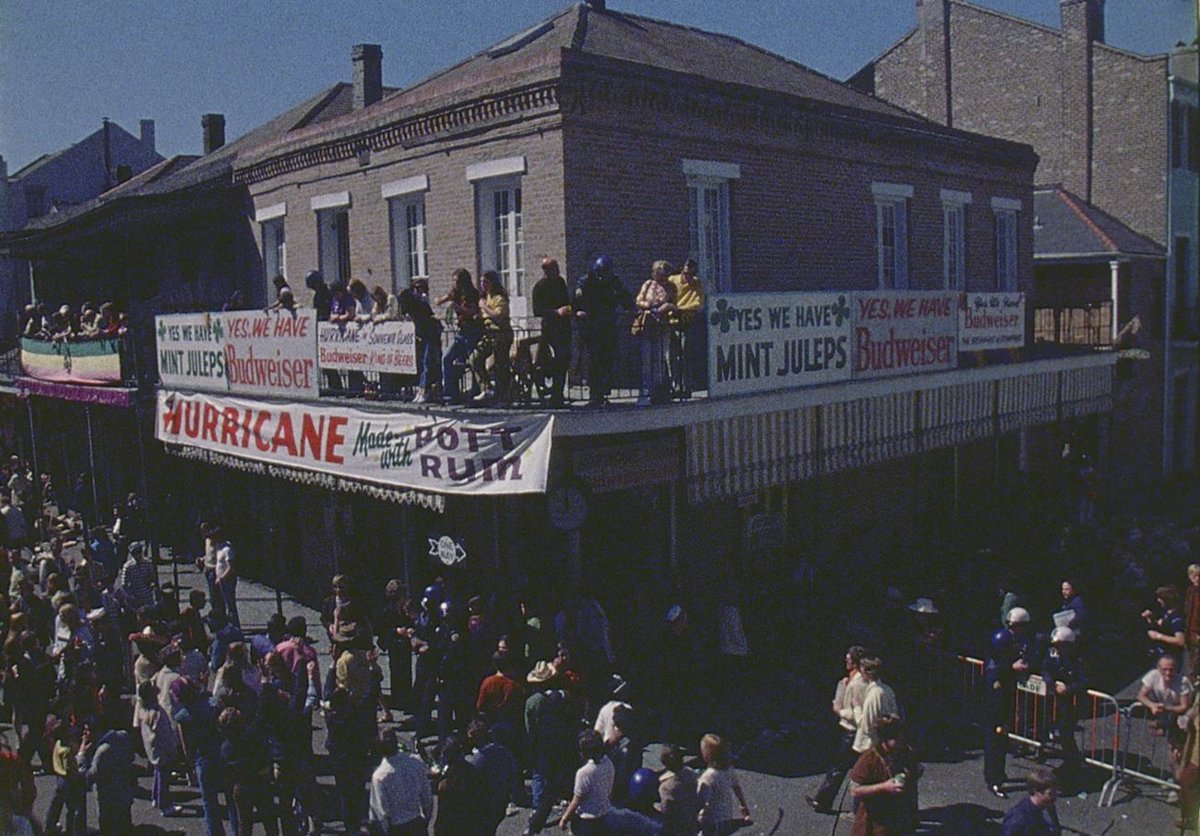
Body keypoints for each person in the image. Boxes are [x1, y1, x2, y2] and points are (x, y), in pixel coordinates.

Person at [808, 644, 868, 813]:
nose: (845, 663)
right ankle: (823, 801)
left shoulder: (857, 684)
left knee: (840, 767)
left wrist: (839, 710)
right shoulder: (850, 681)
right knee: (844, 766)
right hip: (851, 729)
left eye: (848, 660)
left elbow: (858, 711)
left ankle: (823, 801)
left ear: (855, 663)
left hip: (853, 730)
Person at [984, 606, 1035, 798]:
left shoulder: (1013, 640)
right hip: (995, 697)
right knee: (995, 739)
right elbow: (995, 668)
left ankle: (998, 773)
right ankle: (993, 779)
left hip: (1004, 695)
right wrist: (1012, 667)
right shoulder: (1002, 639)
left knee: (1001, 737)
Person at [574, 255, 633, 405]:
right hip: (591, 327)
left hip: (608, 326)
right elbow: (576, 303)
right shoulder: (586, 281)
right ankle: (595, 394)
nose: (602, 277)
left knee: (607, 360)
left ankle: (604, 392)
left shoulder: (613, 281)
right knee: (594, 361)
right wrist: (579, 312)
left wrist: (632, 309)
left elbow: (624, 297)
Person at [849, 715, 920, 836]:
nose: (901, 742)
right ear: (884, 740)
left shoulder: (905, 751)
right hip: (875, 820)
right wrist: (884, 787)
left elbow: (917, 770)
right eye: (896, 739)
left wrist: (910, 775)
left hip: (901, 817)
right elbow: (855, 790)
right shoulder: (869, 758)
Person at [1038, 627, 1085, 792]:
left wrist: (1068, 688)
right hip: (1054, 699)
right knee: (1050, 726)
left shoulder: (1076, 660)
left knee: (1066, 734)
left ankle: (1074, 764)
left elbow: (1082, 681)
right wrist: (1053, 683)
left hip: (1070, 703)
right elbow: (1045, 670)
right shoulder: (1052, 655)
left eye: (1060, 645)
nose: (1057, 648)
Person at [77, 710, 135, 835]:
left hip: (108, 799)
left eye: (87, 730)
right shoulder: (122, 735)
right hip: (125, 791)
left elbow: (89, 776)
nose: (85, 734)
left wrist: (81, 755)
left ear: (96, 731)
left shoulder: (102, 751)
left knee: (108, 829)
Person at [370, 728, 433, 836]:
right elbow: (427, 796)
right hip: (416, 823)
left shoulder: (379, 776)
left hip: (397, 828)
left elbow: (381, 812)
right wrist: (426, 819)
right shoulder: (415, 763)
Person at [437, 269, 485, 404]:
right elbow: (439, 301)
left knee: (473, 361)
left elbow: (474, 312)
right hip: (461, 333)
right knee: (446, 358)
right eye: (453, 281)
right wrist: (441, 301)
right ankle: (450, 393)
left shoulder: (472, 294)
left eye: (457, 281)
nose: (455, 283)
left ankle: (476, 392)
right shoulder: (455, 293)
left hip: (472, 331)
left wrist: (458, 308)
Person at [633, 260, 677, 407]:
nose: (660, 279)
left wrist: (667, 307)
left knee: (659, 359)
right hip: (647, 325)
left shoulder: (671, 287)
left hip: (662, 326)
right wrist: (649, 306)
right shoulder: (648, 284)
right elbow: (639, 300)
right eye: (657, 275)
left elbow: (674, 305)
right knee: (646, 358)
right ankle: (646, 391)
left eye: (663, 276)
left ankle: (659, 391)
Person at [531, 257, 573, 406]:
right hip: (550, 329)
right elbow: (537, 310)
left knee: (563, 360)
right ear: (547, 271)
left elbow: (566, 301)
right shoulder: (539, 287)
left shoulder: (560, 283)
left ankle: (558, 394)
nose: (558, 271)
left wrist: (569, 309)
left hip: (564, 328)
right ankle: (551, 393)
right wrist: (556, 312)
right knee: (550, 363)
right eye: (554, 269)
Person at [1137, 654, 1193, 760]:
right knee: (1172, 745)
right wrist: (1152, 705)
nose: (1168, 673)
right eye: (1164, 669)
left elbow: (1184, 706)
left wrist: (1166, 708)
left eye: (1171, 670)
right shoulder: (1153, 675)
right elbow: (1141, 695)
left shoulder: (1182, 682)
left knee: (1179, 746)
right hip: (1166, 711)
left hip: (1182, 713)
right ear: (1158, 668)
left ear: (1175, 669)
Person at [560, 729, 613, 834]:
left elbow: (576, 800)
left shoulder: (584, 772)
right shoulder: (608, 763)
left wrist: (564, 819)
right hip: (604, 813)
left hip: (586, 819)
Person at [697, 733, 751, 835]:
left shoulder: (707, 777)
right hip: (726, 814)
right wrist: (743, 805)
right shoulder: (729, 768)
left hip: (711, 818)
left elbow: (700, 800)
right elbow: (736, 786)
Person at [472, 271, 514, 403]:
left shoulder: (499, 298)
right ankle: (486, 388)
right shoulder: (485, 297)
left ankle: (503, 396)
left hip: (501, 335)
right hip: (488, 335)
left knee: (501, 366)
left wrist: (484, 307)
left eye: (486, 282)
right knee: (475, 358)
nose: (483, 285)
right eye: (481, 282)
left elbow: (498, 315)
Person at [400, 278, 443, 404]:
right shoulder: (411, 306)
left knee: (428, 362)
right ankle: (425, 389)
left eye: (421, 289)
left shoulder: (422, 304)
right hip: (423, 336)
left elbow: (429, 317)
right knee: (424, 363)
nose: (418, 291)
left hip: (432, 335)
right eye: (416, 288)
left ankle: (425, 390)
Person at [667, 258, 704, 398]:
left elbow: (697, 304)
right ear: (682, 270)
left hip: (686, 323)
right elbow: (666, 296)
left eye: (691, 274)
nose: (688, 277)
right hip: (670, 322)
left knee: (685, 354)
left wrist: (679, 309)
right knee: (671, 356)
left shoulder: (696, 284)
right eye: (686, 273)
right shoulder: (672, 280)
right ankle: (674, 385)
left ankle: (686, 386)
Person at [1000, 767, 1062, 836]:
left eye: (1056, 793)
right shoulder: (1019, 818)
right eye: (1050, 793)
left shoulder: (1048, 806)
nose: (1055, 797)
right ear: (1036, 791)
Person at [655, 743, 699, 836]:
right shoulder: (692, 774)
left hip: (678, 824)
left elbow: (666, 810)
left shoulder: (666, 788)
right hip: (693, 817)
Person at [1143, 584, 1186, 667]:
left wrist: (1158, 636)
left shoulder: (1176, 618)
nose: (1158, 601)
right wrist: (1151, 618)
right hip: (1160, 654)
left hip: (1172, 658)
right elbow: (1163, 626)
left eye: (1161, 598)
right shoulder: (1167, 613)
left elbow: (1180, 641)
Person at [210, 525, 239, 629]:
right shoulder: (219, 547)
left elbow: (231, 567)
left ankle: (235, 626)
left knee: (230, 604)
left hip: (227, 580)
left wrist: (221, 577)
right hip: (220, 579)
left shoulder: (227, 549)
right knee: (223, 603)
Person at [1184, 564, 1200, 683]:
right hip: (1190, 634)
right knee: (1191, 667)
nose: (1197, 579)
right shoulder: (1190, 591)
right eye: (1195, 576)